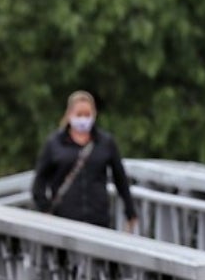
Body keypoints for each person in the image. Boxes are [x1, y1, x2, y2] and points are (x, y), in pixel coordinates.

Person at [30, 90, 138, 231]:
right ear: (69, 115)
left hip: (98, 219)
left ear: (94, 115)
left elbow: (120, 179)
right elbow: (39, 180)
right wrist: (44, 209)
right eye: (79, 115)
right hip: (64, 220)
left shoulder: (106, 143)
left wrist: (130, 211)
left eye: (87, 115)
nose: (83, 119)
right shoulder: (54, 143)